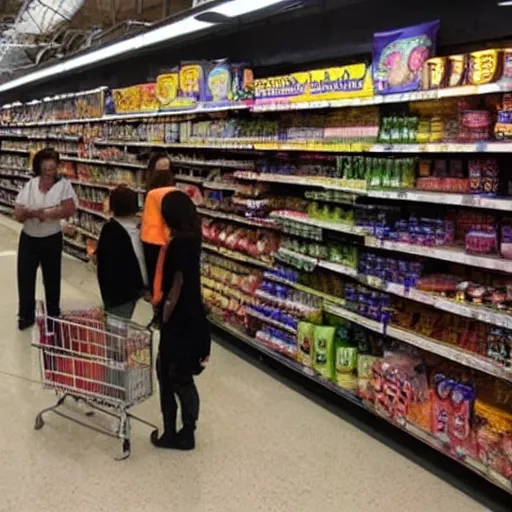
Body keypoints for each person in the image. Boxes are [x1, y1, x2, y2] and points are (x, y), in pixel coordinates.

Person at [150, 191, 211, 451]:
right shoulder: (193, 237)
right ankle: (184, 430)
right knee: (179, 374)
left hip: (179, 320)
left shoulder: (179, 243)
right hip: (193, 318)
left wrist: (163, 315)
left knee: (170, 374)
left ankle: (177, 433)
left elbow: (177, 284)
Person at [14, 147, 77, 330]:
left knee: (52, 277)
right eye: (46, 162)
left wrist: (43, 214)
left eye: (53, 163)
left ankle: (53, 312)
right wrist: (36, 213)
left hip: (51, 238)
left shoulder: (64, 185)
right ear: (39, 165)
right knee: (25, 277)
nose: (50, 166)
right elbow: (18, 212)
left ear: (57, 165)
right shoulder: (31, 184)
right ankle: (26, 315)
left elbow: (68, 208)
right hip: (29, 238)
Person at [96, 186, 148, 319]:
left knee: (117, 328)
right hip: (143, 287)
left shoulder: (110, 231)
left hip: (119, 293)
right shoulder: (144, 228)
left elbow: (106, 265)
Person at [141, 153, 176, 292]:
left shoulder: (151, 193)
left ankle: (156, 300)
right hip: (166, 239)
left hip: (150, 239)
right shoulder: (174, 192)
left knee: (154, 277)